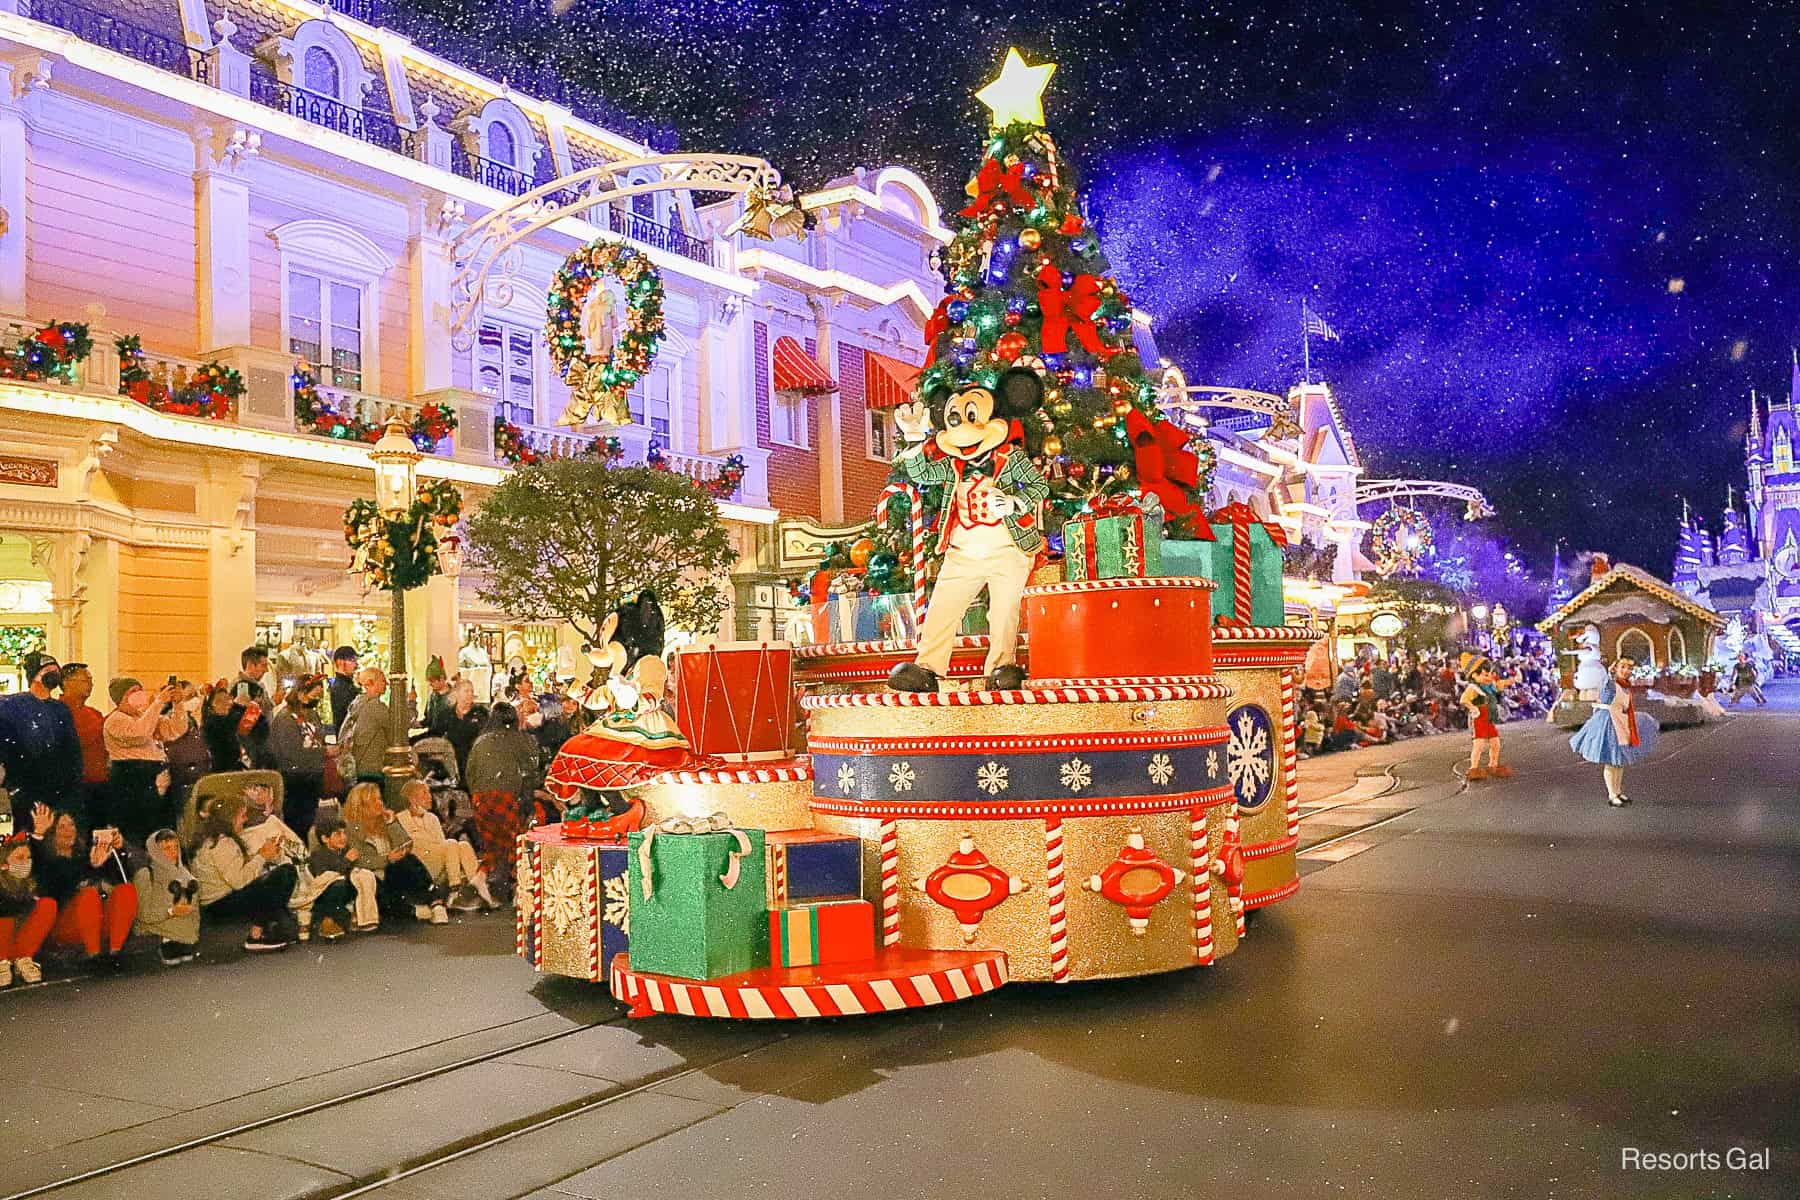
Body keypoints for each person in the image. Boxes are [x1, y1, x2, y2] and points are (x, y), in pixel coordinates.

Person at [28, 806, 136, 969]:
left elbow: (122, 879)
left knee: (126, 890)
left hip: (99, 922)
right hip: (67, 924)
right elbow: (54, 880)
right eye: (61, 826)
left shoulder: (89, 853)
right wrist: (91, 866)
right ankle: (94, 956)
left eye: (71, 825)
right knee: (88, 895)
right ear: (52, 832)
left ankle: (115, 953)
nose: (68, 830)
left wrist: (118, 849)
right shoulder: (48, 860)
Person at [193, 792, 295, 952]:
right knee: (285, 874)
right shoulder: (221, 843)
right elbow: (239, 881)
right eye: (242, 816)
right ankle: (256, 935)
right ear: (230, 818)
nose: (245, 819)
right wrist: (262, 856)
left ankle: (271, 927)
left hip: (218, 902)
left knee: (278, 875)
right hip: (219, 905)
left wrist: (265, 853)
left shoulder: (217, 839)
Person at [102, 678, 189, 845]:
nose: (138, 695)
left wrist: (178, 704)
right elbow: (140, 734)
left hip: (155, 782)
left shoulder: (146, 716)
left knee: (161, 832)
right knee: (139, 833)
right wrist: (158, 703)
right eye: (132, 692)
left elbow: (175, 730)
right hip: (132, 783)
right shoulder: (114, 720)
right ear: (121, 697)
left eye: (139, 690)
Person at [341, 783, 441, 924]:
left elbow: (406, 843)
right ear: (362, 806)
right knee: (379, 886)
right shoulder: (350, 829)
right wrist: (387, 858)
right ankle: (413, 911)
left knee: (409, 859)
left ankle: (436, 902)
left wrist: (392, 824)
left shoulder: (385, 821)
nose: (380, 803)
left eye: (380, 799)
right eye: (374, 801)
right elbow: (359, 860)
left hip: (391, 873)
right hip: (371, 877)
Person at [1570, 656, 1659, 807]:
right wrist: (1610, 674)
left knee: (1619, 761)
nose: (1626, 671)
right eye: (1623, 667)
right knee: (1612, 760)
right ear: (1616, 668)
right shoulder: (1611, 683)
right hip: (1609, 723)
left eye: (1629, 668)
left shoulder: (1624, 685)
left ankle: (1617, 791)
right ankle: (1612, 794)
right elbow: (1606, 689)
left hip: (1620, 722)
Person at [0, 652, 81, 815]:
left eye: (55, 669)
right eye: (48, 670)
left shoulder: (61, 709)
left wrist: (74, 781)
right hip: (25, 789)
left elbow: (72, 750)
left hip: (61, 792)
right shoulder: (12, 706)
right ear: (34, 676)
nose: (54, 673)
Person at [395, 779, 495, 912]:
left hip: (439, 860)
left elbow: (439, 843)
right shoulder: (401, 818)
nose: (430, 797)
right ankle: (455, 890)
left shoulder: (432, 818)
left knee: (463, 845)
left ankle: (479, 888)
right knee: (451, 843)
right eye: (424, 793)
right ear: (412, 799)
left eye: (429, 792)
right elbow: (414, 844)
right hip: (421, 867)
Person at [267, 676, 328, 837]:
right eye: (314, 696)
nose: (317, 700)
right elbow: (291, 753)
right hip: (295, 779)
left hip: (312, 777)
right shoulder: (285, 719)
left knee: (308, 823)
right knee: (296, 825)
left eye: (319, 697)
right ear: (301, 694)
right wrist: (324, 752)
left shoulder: (312, 715)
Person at [132, 828, 200, 964]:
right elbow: (143, 913)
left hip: (185, 925)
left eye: (175, 847)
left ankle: (180, 938)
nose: (173, 852)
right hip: (158, 922)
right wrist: (170, 912)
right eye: (167, 848)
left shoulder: (185, 872)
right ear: (155, 852)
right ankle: (169, 939)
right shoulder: (145, 874)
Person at [0, 833, 55, 985]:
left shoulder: (31, 883)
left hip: (18, 943)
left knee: (48, 904)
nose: (26, 862)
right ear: (4, 863)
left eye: (28, 858)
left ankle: (23, 959)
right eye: (19, 858)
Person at [60, 663, 109, 826]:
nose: (90, 684)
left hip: (99, 784)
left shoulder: (94, 713)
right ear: (67, 682)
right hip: (73, 786)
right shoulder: (58, 711)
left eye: (91, 680)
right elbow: (77, 740)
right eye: (85, 680)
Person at [308, 810, 372, 934]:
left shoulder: (345, 850)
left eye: (344, 833)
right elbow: (326, 876)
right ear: (325, 838)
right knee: (338, 885)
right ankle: (328, 921)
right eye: (338, 834)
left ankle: (360, 916)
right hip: (326, 894)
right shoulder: (318, 854)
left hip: (345, 891)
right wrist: (347, 860)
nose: (343, 837)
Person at [1460, 654, 1514, 781]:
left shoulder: (1489, 686)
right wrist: (1473, 709)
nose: (1489, 677)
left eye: (1489, 674)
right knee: (1478, 745)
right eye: (1485, 675)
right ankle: (1474, 768)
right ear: (1474, 675)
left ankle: (1493, 765)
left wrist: (1513, 679)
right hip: (1478, 719)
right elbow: (1464, 699)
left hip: (1488, 718)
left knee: (1496, 743)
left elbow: (1501, 684)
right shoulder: (1473, 688)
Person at [426, 678, 485, 784]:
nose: (470, 694)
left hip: (474, 762)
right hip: (452, 763)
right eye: (466, 691)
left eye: (472, 691)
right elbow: (434, 734)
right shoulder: (446, 714)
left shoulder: (481, 712)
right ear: (456, 694)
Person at [234, 646, 275, 768]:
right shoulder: (241, 687)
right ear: (251, 665)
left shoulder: (258, 685)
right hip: (252, 748)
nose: (266, 670)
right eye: (263, 665)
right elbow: (245, 723)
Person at [200, 681, 250, 774]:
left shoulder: (228, 718)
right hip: (220, 772)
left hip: (232, 768)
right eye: (219, 701)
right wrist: (240, 706)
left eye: (227, 699)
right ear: (211, 705)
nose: (225, 704)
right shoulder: (212, 723)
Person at [326, 646, 360, 733]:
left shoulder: (348, 684)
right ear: (340, 662)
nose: (356, 664)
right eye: (352, 660)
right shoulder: (340, 687)